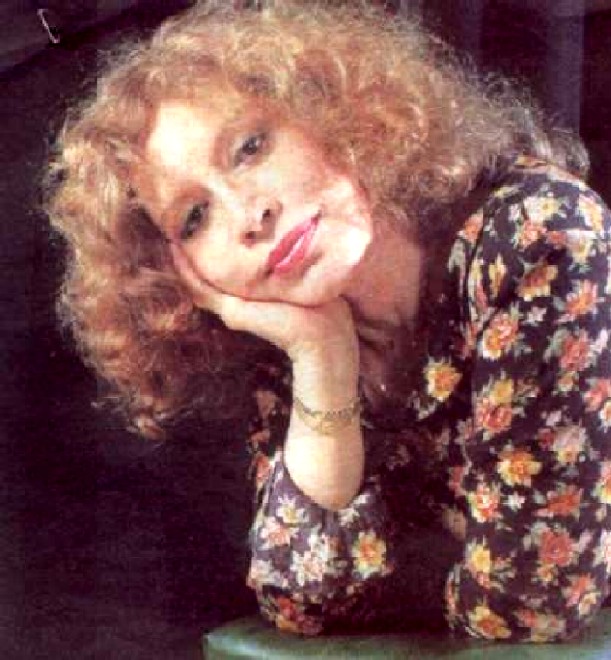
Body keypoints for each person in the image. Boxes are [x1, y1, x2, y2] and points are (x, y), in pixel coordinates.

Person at [46, 0, 611, 642]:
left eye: (251, 147)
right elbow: (301, 598)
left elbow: (532, 602)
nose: (249, 214)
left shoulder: (538, 234)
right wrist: (321, 355)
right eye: (194, 218)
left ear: (330, 111)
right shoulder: (299, 319)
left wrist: (399, 579)